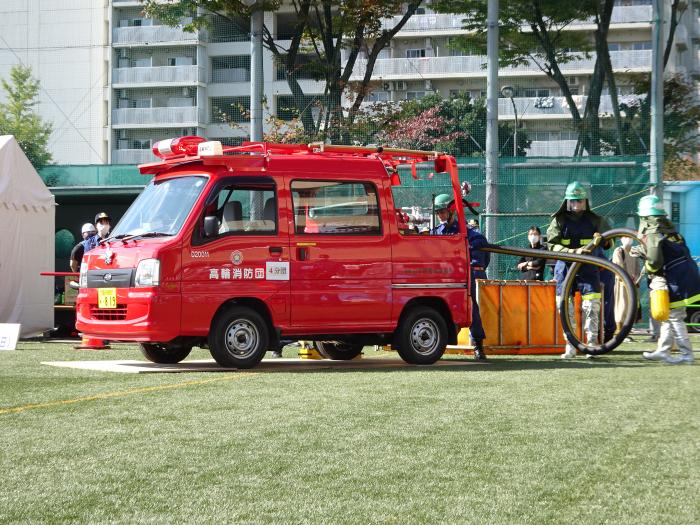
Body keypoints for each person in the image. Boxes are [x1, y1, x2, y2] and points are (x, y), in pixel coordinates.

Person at [547, 181, 611, 359]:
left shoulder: (595, 220)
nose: (576, 204)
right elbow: (551, 245)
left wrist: (602, 239)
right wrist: (573, 252)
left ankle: (591, 345)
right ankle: (571, 346)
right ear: (567, 202)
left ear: (585, 201)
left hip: (588, 269)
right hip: (565, 269)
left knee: (591, 306)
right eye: (573, 201)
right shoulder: (558, 221)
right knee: (564, 308)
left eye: (580, 201)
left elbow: (609, 242)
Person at [635, 195, 699, 364]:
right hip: (687, 275)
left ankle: (687, 355)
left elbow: (655, 262)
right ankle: (663, 350)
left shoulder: (653, 232)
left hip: (677, 279)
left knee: (675, 316)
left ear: (645, 217)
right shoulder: (671, 230)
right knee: (671, 316)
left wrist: (646, 261)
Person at [432, 194, 489, 361]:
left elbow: (480, 258)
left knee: (471, 309)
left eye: (443, 212)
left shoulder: (469, 234)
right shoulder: (436, 233)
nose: (440, 216)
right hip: (441, 278)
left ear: (451, 212)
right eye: (438, 213)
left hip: (463, 278)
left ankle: (478, 345)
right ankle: (437, 344)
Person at [612, 236, 641, 338]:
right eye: (625, 237)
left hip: (632, 285)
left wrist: (636, 278)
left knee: (630, 307)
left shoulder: (634, 251)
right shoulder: (618, 251)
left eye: (629, 237)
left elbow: (638, 267)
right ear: (621, 239)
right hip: (622, 283)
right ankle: (620, 331)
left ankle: (627, 332)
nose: (628, 239)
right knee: (622, 306)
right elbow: (618, 267)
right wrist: (626, 278)